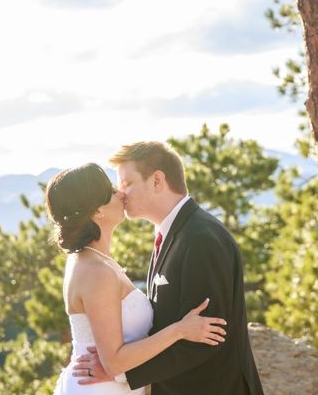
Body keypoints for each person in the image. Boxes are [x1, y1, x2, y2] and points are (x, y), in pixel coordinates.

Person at [72, 142, 264, 395]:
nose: (121, 193)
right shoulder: (171, 233)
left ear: (157, 181)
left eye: (127, 183)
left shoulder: (201, 238)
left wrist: (121, 372)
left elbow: (210, 336)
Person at [47, 162, 228, 395]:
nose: (121, 193)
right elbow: (114, 363)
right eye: (111, 191)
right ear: (96, 211)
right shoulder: (96, 272)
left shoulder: (93, 261)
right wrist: (180, 330)